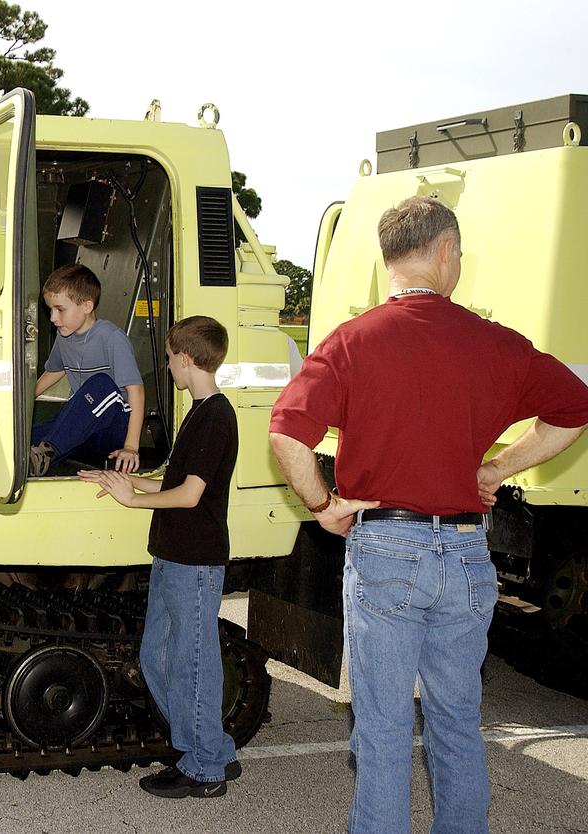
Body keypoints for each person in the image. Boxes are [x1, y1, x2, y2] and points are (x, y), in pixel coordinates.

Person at [268, 196, 588, 834]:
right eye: (461, 254)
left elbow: (286, 433)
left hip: (386, 550)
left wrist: (324, 506)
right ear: (445, 251)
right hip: (466, 557)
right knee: (457, 724)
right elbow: (575, 408)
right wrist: (497, 469)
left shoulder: (352, 341)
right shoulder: (494, 343)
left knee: (384, 731)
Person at [80, 315, 240, 798]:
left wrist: (135, 501)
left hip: (194, 561)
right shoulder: (196, 411)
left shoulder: (216, 415)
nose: (167, 365)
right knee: (158, 657)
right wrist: (122, 483)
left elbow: (190, 495)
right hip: (173, 556)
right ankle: (212, 749)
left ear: (187, 358)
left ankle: (204, 767)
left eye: (170, 357)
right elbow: (173, 484)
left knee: (192, 663)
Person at [30, 264, 145, 476]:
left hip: (115, 426)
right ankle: (31, 456)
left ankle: (46, 453)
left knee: (101, 383)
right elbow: (55, 371)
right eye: (50, 310)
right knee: (27, 434)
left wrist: (131, 447)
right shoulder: (64, 336)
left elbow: (136, 391)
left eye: (60, 309)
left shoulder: (111, 338)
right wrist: (23, 403)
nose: (53, 318)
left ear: (86, 306)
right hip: (88, 427)